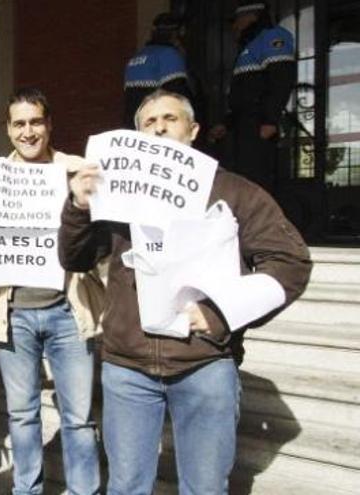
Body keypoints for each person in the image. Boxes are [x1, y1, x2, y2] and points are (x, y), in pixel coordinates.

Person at [61, 89, 312, 494]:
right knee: (125, 487)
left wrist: (221, 313)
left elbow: (291, 264)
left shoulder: (236, 192)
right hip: (127, 369)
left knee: (205, 489)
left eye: (170, 119)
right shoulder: (116, 194)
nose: (159, 127)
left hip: (204, 364)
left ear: (193, 130)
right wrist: (78, 206)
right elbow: (74, 259)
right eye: (148, 122)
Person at [0, 87, 104, 495]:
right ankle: (26, 490)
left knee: (79, 417)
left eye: (35, 122)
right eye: (19, 124)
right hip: (12, 315)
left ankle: (84, 490)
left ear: (49, 125)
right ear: (8, 130)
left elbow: (101, 239)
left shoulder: (76, 171)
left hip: (69, 311)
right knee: (22, 414)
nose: (27, 131)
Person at [209, 0, 296, 193]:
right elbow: (244, 95)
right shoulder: (249, 47)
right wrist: (227, 123)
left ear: (251, 16)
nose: (234, 26)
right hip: (243, 126)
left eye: (237, 20)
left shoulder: (273, 37)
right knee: (243, 181)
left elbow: (281, 79)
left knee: (257, 183)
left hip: (259, 125)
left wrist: (270, 120)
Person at [123, 13, 193, 128]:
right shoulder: (169, 55)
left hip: (136, 127)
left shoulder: (136, 57)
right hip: (159, 129)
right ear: (176, 34)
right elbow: (178, 97)